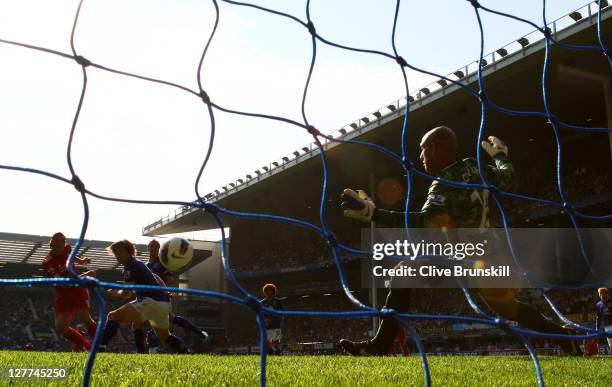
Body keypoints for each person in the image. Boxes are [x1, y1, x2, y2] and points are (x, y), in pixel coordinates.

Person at [338, 126, 580, 356]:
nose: (420, 155)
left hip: (474, 258)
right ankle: (564, 337)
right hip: (487, 254)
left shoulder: (444, 183)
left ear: (433, 147)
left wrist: (375, 214)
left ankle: (379, 346)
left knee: (406, 273)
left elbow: (425, 221)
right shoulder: (474, 167)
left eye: (422, 149)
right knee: (507, 307)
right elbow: (509, 178)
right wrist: (500, 156)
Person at [99, 239, 189, 354]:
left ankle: (100, 348)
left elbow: (127, 294)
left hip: (150, 302)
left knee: (112, 316)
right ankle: (186, 351)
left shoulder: (129, 266)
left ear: (129, 252)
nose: (117, 255)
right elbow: (144, 283)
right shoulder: (138, 264)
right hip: (163, 305)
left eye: (120, 251)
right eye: (115, 252)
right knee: (165, 336)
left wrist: (112, 292)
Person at [143, 239, 209, 353]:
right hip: (149, 297)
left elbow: (170, 279)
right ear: (148, 248)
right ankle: (194, 338)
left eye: (155, 246)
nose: (153, 248)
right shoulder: (145, 266)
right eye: (151, 246)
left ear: (159, 249)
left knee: (156, 320)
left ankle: (154, 347)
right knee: (168, 319)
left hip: (160, 297)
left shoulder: (161, 263)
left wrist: (161, 289)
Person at [41, 232, 97, 351]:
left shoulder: (67, 249)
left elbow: (70, 256)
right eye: (57, 241)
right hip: (64, 292)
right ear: (52, 243)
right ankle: (88, 347)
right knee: (61, 327)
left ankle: (100, 348)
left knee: (85, 317)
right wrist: (85, 274)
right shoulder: (47, 263)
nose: (61, 243)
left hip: (78, 288)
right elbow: (61, 281)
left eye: (63, 241)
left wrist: (81, 261)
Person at [261, 283, 283, 355]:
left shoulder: (278, 301)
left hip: (276, 323)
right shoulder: (262, 303)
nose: (270, 292)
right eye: (268, 291)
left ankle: (277, 352)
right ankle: (270, 352)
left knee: (276, 340)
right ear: (265, 292)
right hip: (267, 325)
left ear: (273, 292)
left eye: (271, 291)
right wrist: (265, 320)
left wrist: (279, 318)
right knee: (267, 340)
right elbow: (260, 313)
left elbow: (282, 312)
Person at [595, 288, 611, 353]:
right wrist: (597, 327)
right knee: (610, 343)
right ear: (599, 295)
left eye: (604, 292)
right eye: (600, 293)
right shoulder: (598, 304)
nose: (602, 294)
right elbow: (598, 317)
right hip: (607, 326)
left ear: (607, 293)